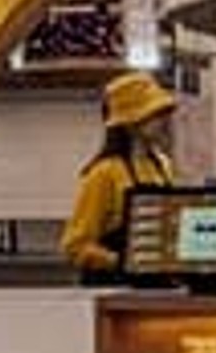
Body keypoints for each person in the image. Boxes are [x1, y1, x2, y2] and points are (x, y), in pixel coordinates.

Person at [60, 66, 181, 284]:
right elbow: (74, 246)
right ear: (130, 121)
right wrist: (123, 262)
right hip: (112, 287)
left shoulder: (163, 166)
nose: (164, 121)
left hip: (154, 286)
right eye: (155, 114)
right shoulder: (104, 173)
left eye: (164, 113)